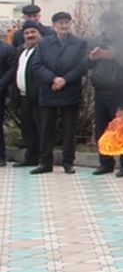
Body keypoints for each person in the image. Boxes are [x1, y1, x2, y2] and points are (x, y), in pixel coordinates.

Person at [31, 11, 89, 174]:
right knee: (46, 129)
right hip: (49, 91)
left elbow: (82, 67)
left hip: (70, 91)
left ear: (70, 24)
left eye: (66, 22)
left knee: (69, 130)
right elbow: (37, 65)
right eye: (60, 23)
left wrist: (65, 80)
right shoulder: (44, 43)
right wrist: (53, 79)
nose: (64, 26)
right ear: (54, 25)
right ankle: (45, 162)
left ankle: (68, 162)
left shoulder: (79, 43)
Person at [88, 11, 123, 177]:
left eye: (113, 23)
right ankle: (105, 163)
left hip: (121, 91)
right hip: (101, 91)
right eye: (107, 23)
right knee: (101, 129)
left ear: (118, 23)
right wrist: (91, 58)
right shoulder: (96, 41)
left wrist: (114, 55)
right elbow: (84, 64)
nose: (110, 26)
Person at [13, 22, 45, 167]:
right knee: (28, 129)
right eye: (27, 33)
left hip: (38, 97)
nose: (30, 35)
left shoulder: (43, 50)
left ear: (39, 34)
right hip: (23, 96)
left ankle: (44, 159)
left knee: (41, 129)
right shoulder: (21, 51)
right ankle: (31, 157)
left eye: (33, 32)